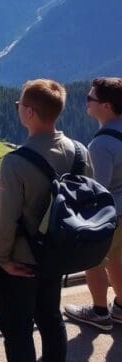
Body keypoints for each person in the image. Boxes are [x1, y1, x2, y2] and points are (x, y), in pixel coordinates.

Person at [0, 79, 91, 362]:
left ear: (30, 112)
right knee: (51, 318)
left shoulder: (16, 162)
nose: (17, 109)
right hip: (58, 255)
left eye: (18, 105)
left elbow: (4, 219)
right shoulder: (79, 151)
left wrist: (2, 257)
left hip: (22, 260)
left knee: (18, 327)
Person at [64, 77, 122, 330]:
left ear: (107, 106)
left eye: (91, 99)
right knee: (119, 259)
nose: (86, 102)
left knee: (94, 261)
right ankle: (120, 307)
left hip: (109, 215)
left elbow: (98, 188)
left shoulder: (101, 144)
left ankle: (99, 311)